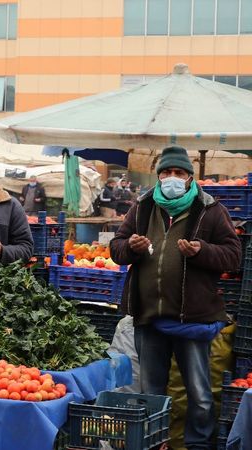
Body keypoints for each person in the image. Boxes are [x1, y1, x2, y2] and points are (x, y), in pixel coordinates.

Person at [110, 146, 241, 450]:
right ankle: (157, 442)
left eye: (178, 173)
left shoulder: (210, 209)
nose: (171, 178)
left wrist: (202, 251)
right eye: (166, 173)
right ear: (158, 176)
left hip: (192, 318)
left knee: (200, 393)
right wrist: (131, 246)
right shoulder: (142, 207)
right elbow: (116, 250)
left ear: (189, 177)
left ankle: (198, 445)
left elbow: (234, 256)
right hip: (149, 317)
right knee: (152, 392)